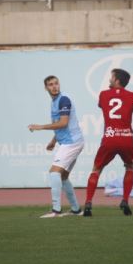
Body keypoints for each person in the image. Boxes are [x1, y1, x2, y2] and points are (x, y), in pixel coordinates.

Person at [83, 68, 133, 217]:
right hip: (126, 139)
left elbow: (104, 105)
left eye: (111, 77)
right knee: (130, 167)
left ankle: (88, 203)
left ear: (117, 80)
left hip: (109, 138)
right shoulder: (132, 96)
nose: (109, 79)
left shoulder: (103, 94)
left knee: (96, 169)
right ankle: (125, 200)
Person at [28, 76, 84, 218]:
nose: (54, 87)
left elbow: (63, 123)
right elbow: (59, 124)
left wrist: (40, 127)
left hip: (72, 142)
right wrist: (54, 140)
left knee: (54, 173)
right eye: (50, 84)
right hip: (70, 142)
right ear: (46, 88)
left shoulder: (64, 99)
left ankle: (56, 211)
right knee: (63, 177)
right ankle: (76, 210)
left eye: (56, 83)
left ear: (59, 85)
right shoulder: (54, 101)